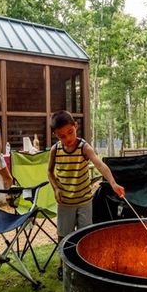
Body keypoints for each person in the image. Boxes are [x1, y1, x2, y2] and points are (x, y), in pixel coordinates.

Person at [48, 110, 125, 279]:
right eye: (62, 136)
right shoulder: (55, 150)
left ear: (75, 126)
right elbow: (49, 172)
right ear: (56, 135)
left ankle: (84, 263)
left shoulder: (84, 147)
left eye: (70, 132)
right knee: (63, 234)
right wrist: (56, 188)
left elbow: (100, 165)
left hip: (84, 200)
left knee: (85, 234)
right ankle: (63, 265)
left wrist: (113, 183)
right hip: (65, 202)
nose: (67, 138)